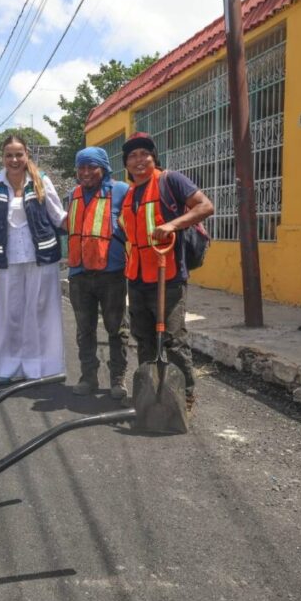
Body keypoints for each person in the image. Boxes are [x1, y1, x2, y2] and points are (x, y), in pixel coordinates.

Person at [118, 132, 214, 410]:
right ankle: (151, 394)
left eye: (143, 154)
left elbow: (206, 206)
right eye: (132, 156)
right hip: (136, 277)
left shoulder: (170, 180)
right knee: (145, 338)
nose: (138, 160)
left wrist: (174, 224)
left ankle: (184, 397)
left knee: (172, 339)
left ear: (153, 157)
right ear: (126, 164)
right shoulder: (130, 194)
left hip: (168, 274)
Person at [0, 135, 67, 383]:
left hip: (42, 257)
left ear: (27, 155)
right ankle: (9, 366)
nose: (14, 160)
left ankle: (42, 368)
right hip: (9, 258)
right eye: (9, 155)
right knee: (11, 313)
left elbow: (59, 216)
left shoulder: (41, 180)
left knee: (41, 311)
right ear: (2, 158)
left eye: (18, 154)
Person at [66, 146, 130, 399]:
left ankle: (118, 378)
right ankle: (88, 377)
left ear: (104, 168)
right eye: (81, 167)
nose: (86, 172)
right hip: (79, 274)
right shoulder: (74, 194)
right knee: (85, 330)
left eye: (91, 167)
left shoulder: (121, 191)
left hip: (111, 274)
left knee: (116, 328)